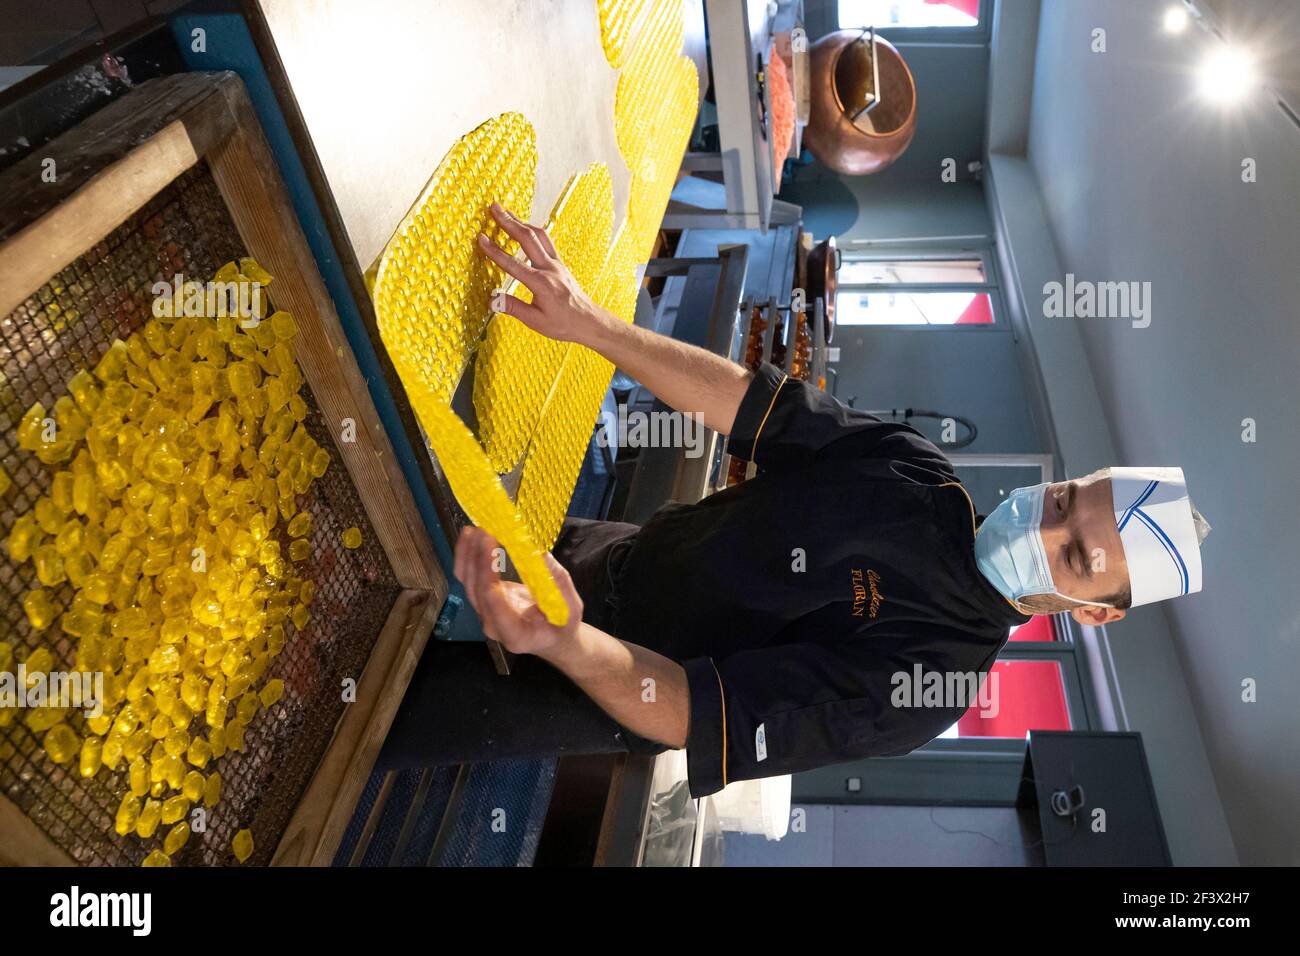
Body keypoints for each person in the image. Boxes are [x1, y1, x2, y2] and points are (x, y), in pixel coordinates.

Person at [383, 204, 1210, 798]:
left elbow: (703, 715)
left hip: (581, 675)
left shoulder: (934, 683)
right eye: (1064, 499)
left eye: (1073, 555)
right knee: (371, 539)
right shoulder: (917, 471)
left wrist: (563, 642)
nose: (1044, 522)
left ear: (1094, 613)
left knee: (345, 704)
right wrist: (593, 323)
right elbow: (749, 403)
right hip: (605, 551)